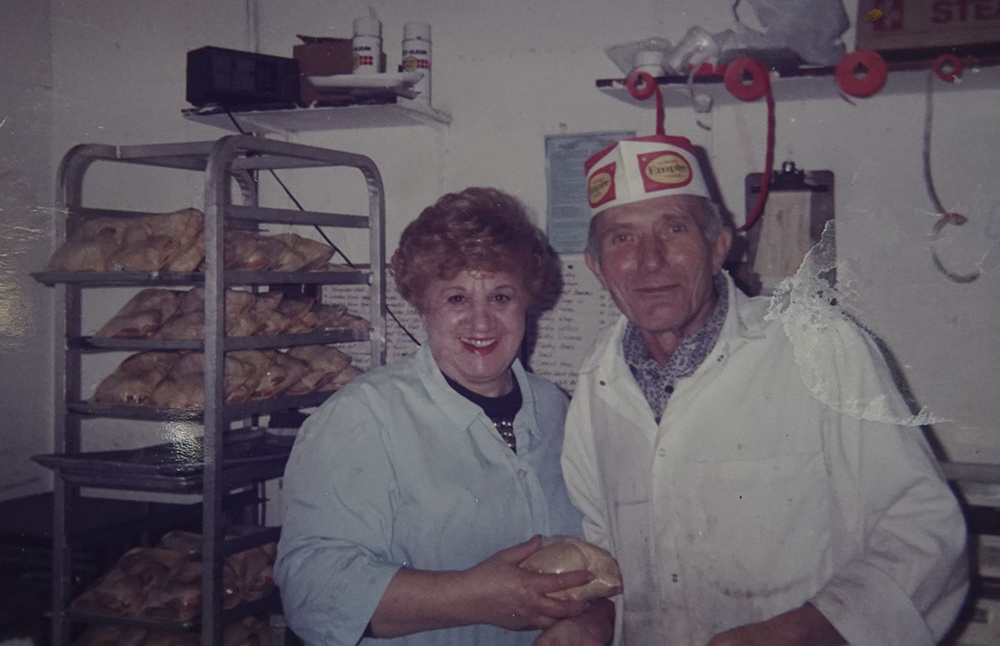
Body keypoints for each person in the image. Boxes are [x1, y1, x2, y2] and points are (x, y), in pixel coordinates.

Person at [560, 134, 969, 646]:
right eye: (622, 238)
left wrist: (803, 631)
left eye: (674, 228)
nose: (650, 260)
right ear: (596, 267)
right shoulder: (596, 380)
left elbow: (924, 529)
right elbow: (605, 551)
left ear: (719, 248)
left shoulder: (817, 346)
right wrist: (591, 621)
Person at [276, 187, 615, 646]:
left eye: (500, 297)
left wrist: (591, 619)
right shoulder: (364, 416)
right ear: (423, 306)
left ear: (526, 303)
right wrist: (470, 598)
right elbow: (310, 592)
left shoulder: (554, 407)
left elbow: (597, 551)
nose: (481, 322)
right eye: (457, 299)